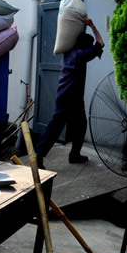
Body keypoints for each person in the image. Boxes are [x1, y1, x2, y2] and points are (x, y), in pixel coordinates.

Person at [35, 17, 105, 166]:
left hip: (68, 97)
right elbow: (101, 43)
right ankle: (38, 156)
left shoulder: (69, 52)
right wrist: (92, 25)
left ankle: (74, 155)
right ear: (85, 46)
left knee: (80, 125)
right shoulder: (81, 55)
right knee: (55, 128)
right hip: (70, 98)